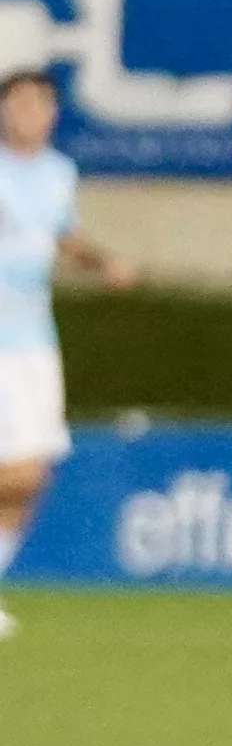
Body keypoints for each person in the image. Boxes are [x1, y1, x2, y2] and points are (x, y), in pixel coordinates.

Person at [0, 68, 137, 638]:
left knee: (36, 474)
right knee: (16, 467)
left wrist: (104, 262)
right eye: (21, 102)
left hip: (35, 339)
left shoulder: (59, 174)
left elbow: (62, 236)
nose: (32, 112)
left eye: (42, 103)